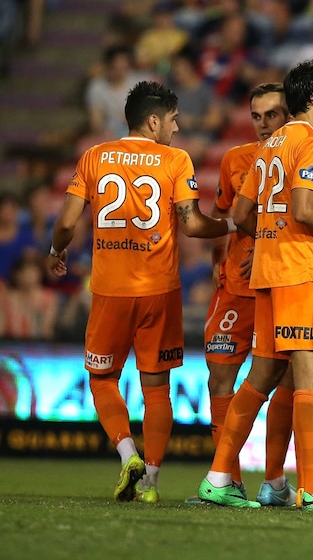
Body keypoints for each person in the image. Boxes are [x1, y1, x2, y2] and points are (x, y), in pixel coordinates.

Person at [47, 80, 238, 504]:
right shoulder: (175, 159)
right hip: (160, 291)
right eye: (172, 118)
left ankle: (126, 452)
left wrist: (57, 251)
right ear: (152, 121)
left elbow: (65, 223)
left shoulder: (95, 156)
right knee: (157, 389)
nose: (177, 125)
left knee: (101, 378)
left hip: (110, 290)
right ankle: (150, 482)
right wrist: (232, 225)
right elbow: (191, 224)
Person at [196, 57, 313, 512]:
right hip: (304, 269)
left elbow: (238, 215)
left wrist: (268, 237)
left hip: (266, 273)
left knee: (262, 377)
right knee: (311, 375)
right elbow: (304, 208)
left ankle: (218, 477)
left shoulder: (271, 145)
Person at [195, 83, 294, 506]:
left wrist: (271, 250)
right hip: (236, 287)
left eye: (272, 114)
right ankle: (227, 481)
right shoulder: (235, 159)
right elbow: (225, 219)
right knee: (220, 377)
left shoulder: (304, 155)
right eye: (256, 116)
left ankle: (273, 482)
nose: (263, 123)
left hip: (280, 284)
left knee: (287, 382)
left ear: (289, 115)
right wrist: (220, 262)